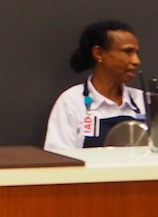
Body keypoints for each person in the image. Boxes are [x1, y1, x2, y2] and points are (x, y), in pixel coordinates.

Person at [44, 20, 146, 150]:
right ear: (99, 53)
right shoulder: (72, 102)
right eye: (127, 52)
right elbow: (59, 159)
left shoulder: (142, 101)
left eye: (136, 53)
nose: (136, 61)